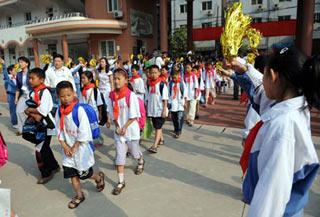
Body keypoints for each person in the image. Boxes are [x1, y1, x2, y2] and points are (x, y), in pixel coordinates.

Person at [221, 47, 319, 217]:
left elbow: (270, 200)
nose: (262, 81)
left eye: (264, 74)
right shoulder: (295, 105)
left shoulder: (281, 128)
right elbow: (261, 90)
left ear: (274, 76)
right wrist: (245, 69)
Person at [55, 81, 105, 209]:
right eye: (62, 96)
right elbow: (59, 130)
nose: (66, 98)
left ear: (73, 94)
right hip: (67, 149)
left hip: (81, 148)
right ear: (58, 96)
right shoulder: (59, 112)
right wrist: (65, 146)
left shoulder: (79, 110)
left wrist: (74, 147)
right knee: (72, 173)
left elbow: (84, 132)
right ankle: (79, 195)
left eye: (68, 95)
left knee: (84, 173)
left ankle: (98, 177)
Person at [108, 68, 145, 195]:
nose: (116, 81)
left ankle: (140, 160)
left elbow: (134, 115)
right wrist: (118, 126)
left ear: (125, 80)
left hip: (131, 131)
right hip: (119, 133)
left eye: (119, 78)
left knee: (134, 153)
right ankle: (121, 182)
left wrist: (124, 127)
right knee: (120, 157)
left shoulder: (131, 95)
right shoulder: (112, 96)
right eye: (115, 78)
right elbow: (113, 114)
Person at [24, 68, 60, 184]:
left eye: (33, 78)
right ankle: (54, 166)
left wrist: (30, 110)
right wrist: (31, 111)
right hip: (37, 124)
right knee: (44, 146)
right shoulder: (32, 92)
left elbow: (43, 111)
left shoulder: (45, 92)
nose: (30, 80)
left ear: (41, 79)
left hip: (45, 125)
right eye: (29, 78)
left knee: (40, 149)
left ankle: (46, 172)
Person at [146, 65, 168, 153]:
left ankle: (155, 145)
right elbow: (147, 98)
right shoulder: (148, 84)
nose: (154, 74)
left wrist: (164, 110)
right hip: (152, 109)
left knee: (158, 127)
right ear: (149, 74)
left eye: (155, 72)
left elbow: (165, 99)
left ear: (159, 73)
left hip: (159, 110)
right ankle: (161, 139)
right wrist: (147, 109)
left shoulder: (162, 84)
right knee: (156, 125)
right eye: (152, 73)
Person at [15, 56, 31, 135]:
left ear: (27, 63)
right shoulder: (19, 74)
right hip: (23, 95)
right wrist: (16, 98)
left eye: (22, 62)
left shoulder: (31, 73)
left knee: (29, 112)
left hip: (32, 95)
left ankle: (28, 128)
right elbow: (18, 87)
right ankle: (21, 129)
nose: (20, 64)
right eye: (19, 62)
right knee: (18, 111)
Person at [169, 71, 187, 138]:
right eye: (173, 78)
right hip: (173, 103)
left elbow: (185, 93)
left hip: (180, 103)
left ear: (178, 76)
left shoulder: (182, 83)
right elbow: (169, 93)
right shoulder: (170, 84)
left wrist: (185, 102)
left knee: (179, 117)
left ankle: (179, 131)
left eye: (175, 78)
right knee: (174, 118)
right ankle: (176, 128)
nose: (174, 79)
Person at [1, 58, 18, 128]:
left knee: (19, 110)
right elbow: (5, 74)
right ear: (10, 71)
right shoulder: (8, 79)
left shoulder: (17, 77)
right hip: (11, 95)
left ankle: (19, 121)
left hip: (18, 95)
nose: (15, 71)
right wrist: (3, 64)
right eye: (14, 70)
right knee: (13, 110)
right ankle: (14, 123)